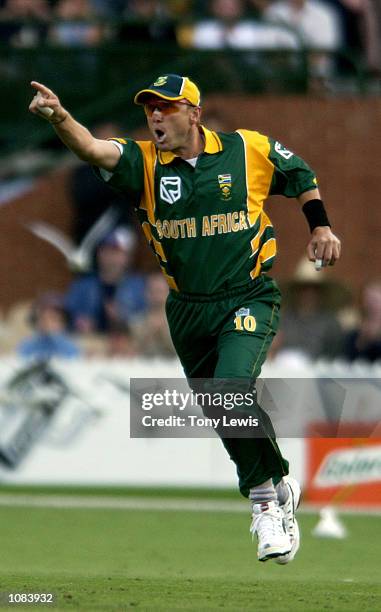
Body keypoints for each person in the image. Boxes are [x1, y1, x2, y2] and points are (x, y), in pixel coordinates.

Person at [29, 73, 341, 564]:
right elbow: (91, 149)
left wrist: (320, 225)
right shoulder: (144, 162)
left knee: (230, 389)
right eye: (150, 108)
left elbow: (300, 174)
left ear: (194, 114)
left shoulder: (247, 149)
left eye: (167, 107)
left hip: (248, 295)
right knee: (221, 408)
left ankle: (264, 503)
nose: (155, 116)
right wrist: (60, 116)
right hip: (186, 308)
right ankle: (279, 484)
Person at [64, 227, 146, 333]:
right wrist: (78, 322)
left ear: (127, 257)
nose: (110, 257)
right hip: (89, 343)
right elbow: (66, 315)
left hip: (127, 345)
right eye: (106, 251)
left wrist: (124, 319)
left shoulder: (139, 287)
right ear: (99, 254)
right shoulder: (82, 285)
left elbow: (146, 318)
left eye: (116, 252)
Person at [17, 292, 80, 360]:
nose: (47, 323)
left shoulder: (70, 343)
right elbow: (22, 356)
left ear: (63, 323)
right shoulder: (30, 342)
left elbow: (73, 356)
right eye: (43, 318)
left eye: (53, 319)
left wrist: (54, 336)